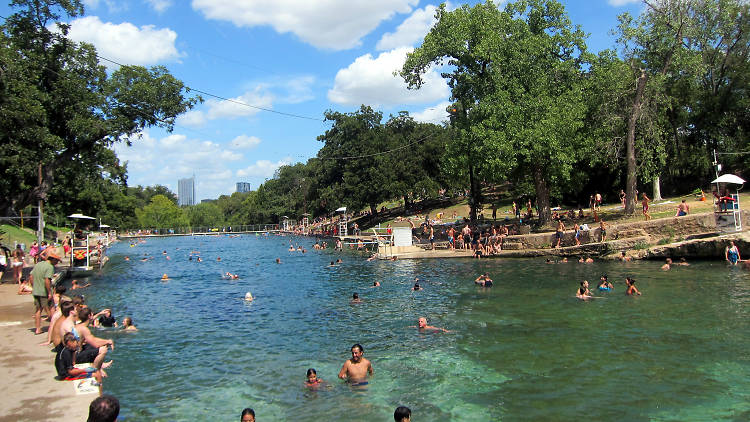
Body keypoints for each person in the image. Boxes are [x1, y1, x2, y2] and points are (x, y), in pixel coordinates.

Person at [29, 252, 60, 335]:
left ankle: (38, 329)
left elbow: (31, 276)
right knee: (51, 309)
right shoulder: (50, 267)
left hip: (36, 291)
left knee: (38, 310)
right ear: (52, 259)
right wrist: (49, 292)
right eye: (57, 261)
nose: (57, 263)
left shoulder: (38, 264)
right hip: (44, 291)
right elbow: (47, 280)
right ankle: (54, 328)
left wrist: (33, 287)